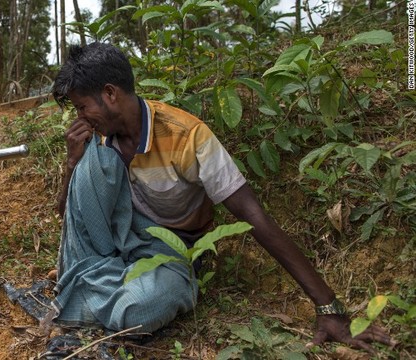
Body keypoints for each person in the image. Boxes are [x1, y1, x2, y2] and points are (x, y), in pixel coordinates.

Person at [49, 42, 393, 352]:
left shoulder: (187, 136)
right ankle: (98, 282)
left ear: (110, 94)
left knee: (141, 308)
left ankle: (92, 289)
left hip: (170, 247)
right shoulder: (99, 139)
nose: (80, 118)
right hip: (116, 237)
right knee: (94, 157)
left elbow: (252, 215)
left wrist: (327, 305)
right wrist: (72, 164)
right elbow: (71, 217)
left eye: (82, 107)